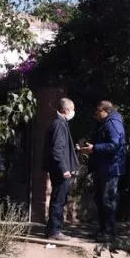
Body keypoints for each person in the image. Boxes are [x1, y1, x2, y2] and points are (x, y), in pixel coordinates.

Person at [79, 101, 126, 242]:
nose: (96, 115)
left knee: (107, 200)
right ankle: (103, 230)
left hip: (111, 168)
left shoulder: (112, 123)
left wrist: (94, 148)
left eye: (97, 112)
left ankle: (109, 233)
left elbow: (114, 145)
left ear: (105, 110)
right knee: (100, 199)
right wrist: (91, 146)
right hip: (104, 167)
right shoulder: (106, 123)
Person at [45, 97, 80, 240]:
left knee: (58, 199)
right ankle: (54, 231)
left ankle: (52, 229)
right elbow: (57, 150)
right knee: (58, 200)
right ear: (65, 110)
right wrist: (64, 168)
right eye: (72, 110)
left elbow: (61, 148)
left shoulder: (60, 123)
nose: (73, 112)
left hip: (59, 168)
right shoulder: (59, 124)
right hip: (60, 170)